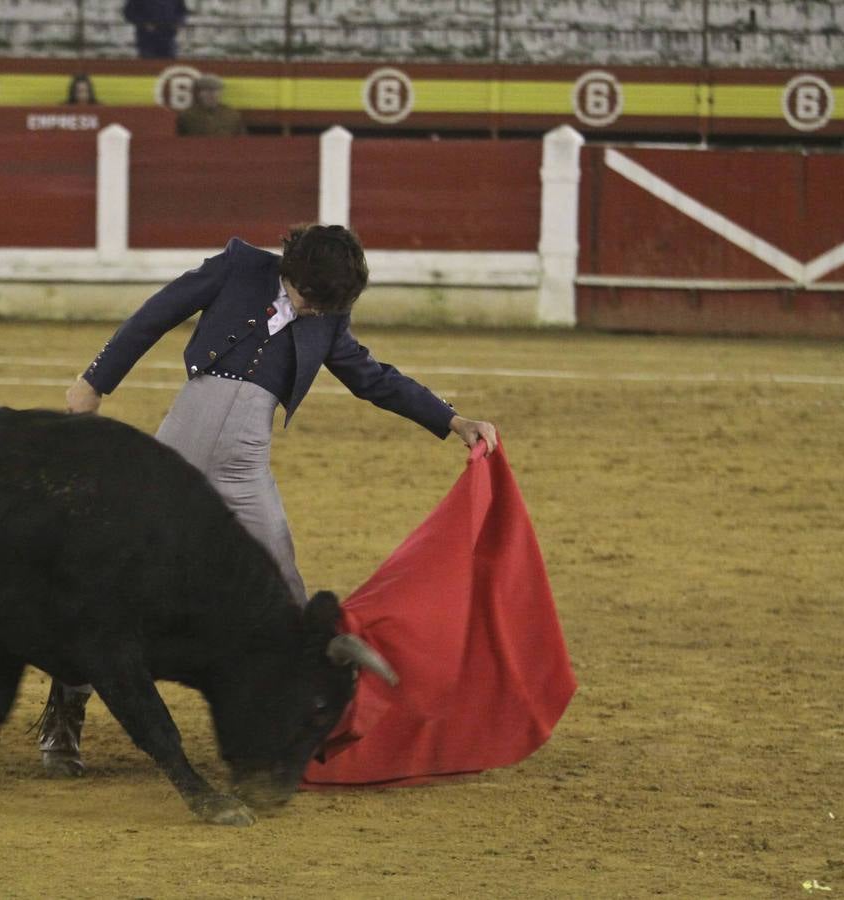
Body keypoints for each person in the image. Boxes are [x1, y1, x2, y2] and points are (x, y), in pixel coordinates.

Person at [35, 224, 499, 776]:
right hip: (177, 454)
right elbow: (156, 314)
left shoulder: (325, 313)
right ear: (289, 270)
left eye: (325, 306)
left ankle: (293, 726)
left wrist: (450, 419)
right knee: (122, 580)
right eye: (308, 300)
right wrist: (95, 381)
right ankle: (68, 703)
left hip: (245, 463)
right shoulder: (238, 268)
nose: (312, 313)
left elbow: (372, 378)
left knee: (284, 585)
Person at [176, 74, 245, 136]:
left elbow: (241, 141)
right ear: (199, 94)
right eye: (206, 90)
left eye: (215, 90)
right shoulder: (187, 116)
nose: (211, 94)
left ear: (221, 93)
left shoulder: (232, 115)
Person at [123, 0, 188, 59]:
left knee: (169, 67)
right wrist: (144, 23)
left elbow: (182, 12)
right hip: (147, 39)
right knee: (149, 67)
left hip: (168, 38)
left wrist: (178, 23)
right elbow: (129, 13)